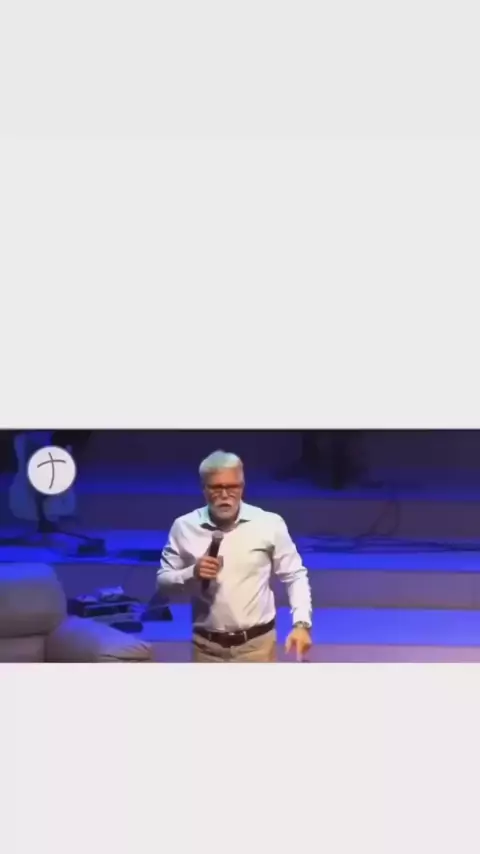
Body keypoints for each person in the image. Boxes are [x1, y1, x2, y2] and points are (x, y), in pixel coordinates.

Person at [157, 450, 313, 663]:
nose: (225, 495)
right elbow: (163, 582)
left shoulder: (268, 523)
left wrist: (301, 624)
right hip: (205, 647)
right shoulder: (184, 526)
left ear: (242, 487)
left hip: (256, 646)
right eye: (216, 487)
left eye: (232, 487)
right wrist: (192, 573)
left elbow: (295, 575)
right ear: (204, 489)